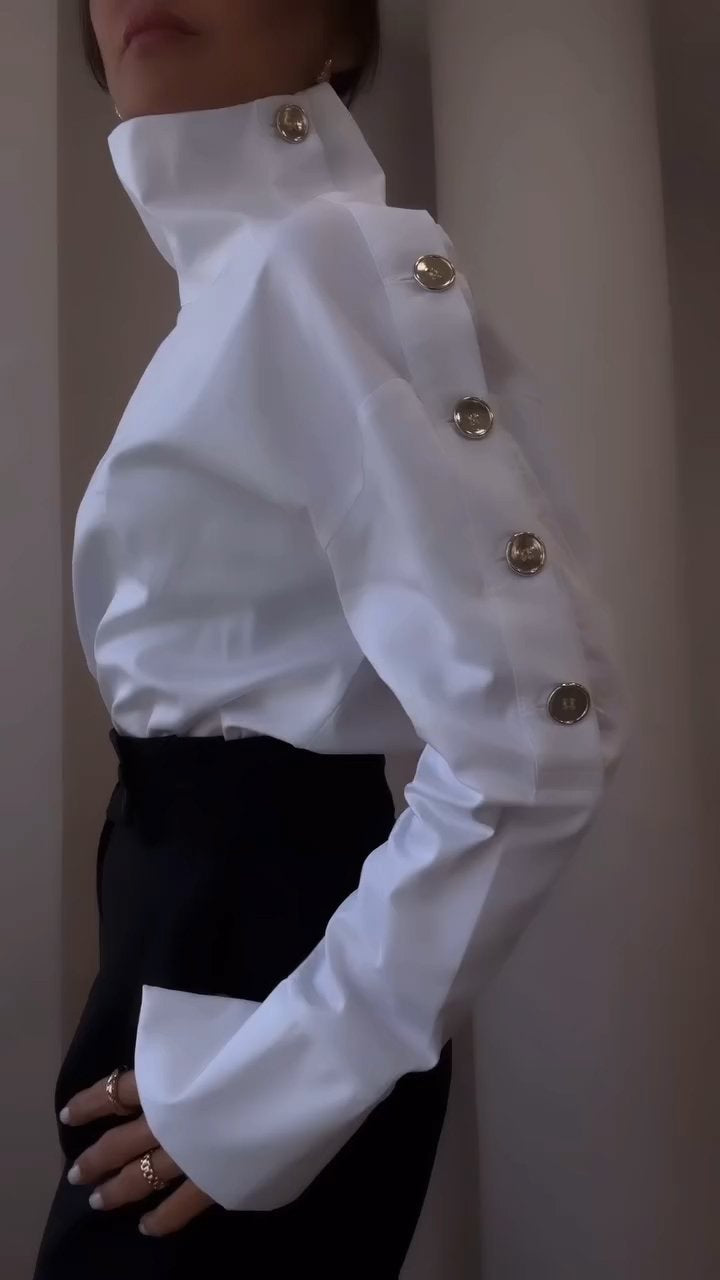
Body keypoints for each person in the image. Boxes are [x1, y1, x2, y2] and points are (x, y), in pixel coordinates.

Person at [34, 1, 625, 1276]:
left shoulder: (318, 261)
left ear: (338, 31)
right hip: (196, 944)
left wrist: (278, 1080)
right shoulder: (246, 284)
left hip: (261, 980)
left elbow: (538, 737)